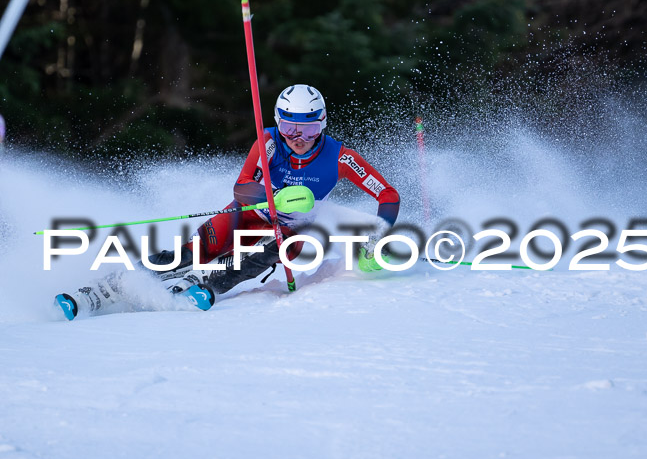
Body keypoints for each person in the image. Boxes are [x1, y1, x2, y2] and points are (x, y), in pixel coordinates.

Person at [55, 84, 400, 320]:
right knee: (195, 249)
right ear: (279, 124)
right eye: (290, 128)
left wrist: (380, 230)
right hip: (250, 214)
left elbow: (388, 195)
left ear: (322, 124)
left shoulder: (341, 157)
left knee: (270, 251)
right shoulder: (267, 144)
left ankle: (209, 286)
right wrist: (271, 198)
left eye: (308, 131)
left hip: (293, 230)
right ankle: (106, 288)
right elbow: (241, 188)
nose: (298, 139)